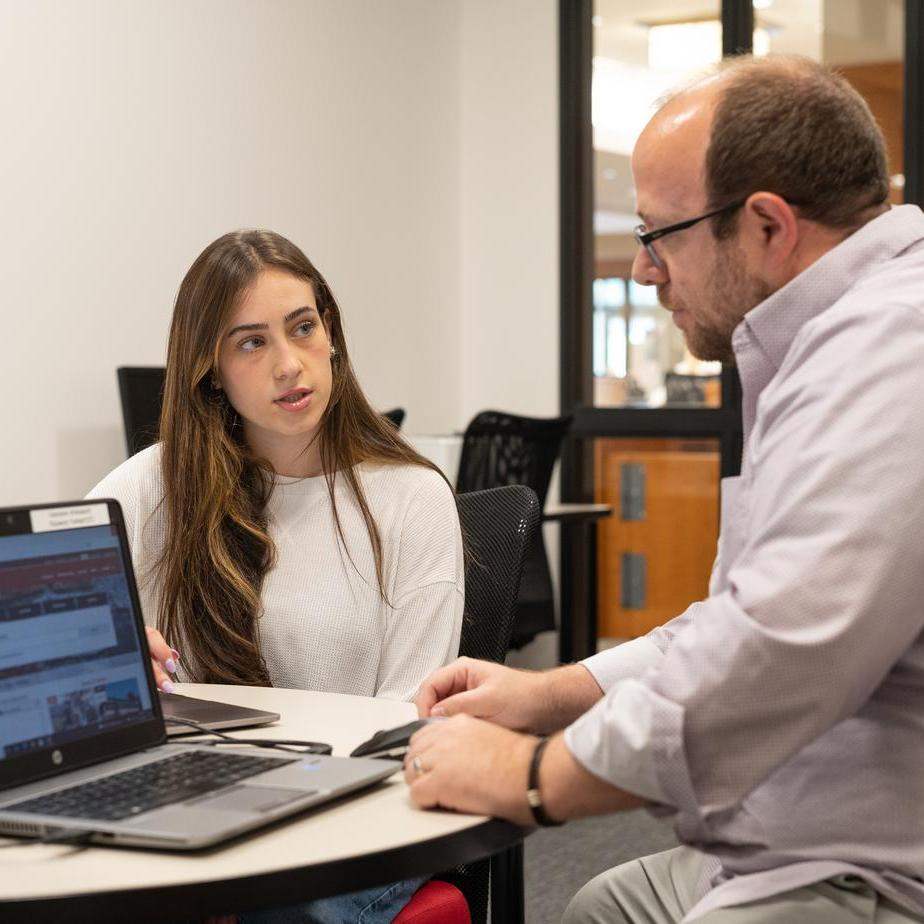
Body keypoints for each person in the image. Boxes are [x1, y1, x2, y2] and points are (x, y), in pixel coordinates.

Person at [404, 54, 924, 924]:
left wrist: (532, 778)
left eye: (659, 236)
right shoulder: (830, 340)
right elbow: (743, 612)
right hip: (792, 835)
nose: (645, 274)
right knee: (602, 905)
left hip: (872, 866)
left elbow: (773, 650)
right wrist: (550, 693)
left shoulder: (890, 349)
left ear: (766, 225)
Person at [88, 229, 464, 923]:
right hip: (204, 806)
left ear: (332, 337)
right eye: (251, 342)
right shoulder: (157, 487)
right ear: (211, 370)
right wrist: (106, 658)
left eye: (302, 327)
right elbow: (35, 621)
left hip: (365, 813)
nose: (290, 364)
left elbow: (408, 721)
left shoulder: (410, 497)